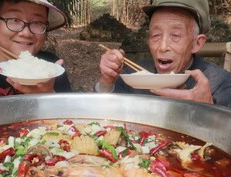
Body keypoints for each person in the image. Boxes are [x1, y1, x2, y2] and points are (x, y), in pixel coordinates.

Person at [95, 0, 231, 107]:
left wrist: (210, 110)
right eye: (156, 35)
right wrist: (107, 81)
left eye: (176, 35)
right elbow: (104, 112)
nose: (163, 46)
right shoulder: (134, 76)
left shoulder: (221, 83)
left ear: (197, 43)